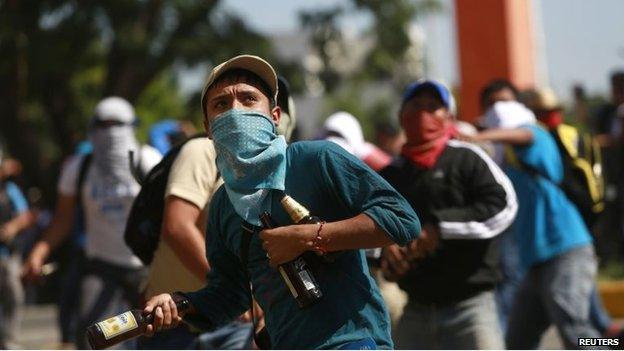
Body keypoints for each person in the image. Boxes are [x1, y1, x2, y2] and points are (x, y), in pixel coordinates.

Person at [142, 54, 421, 349]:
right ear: (208, 128)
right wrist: (180, 304)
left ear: (274, 116)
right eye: (221, 104)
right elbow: (229, 296)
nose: (235, 112)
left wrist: (307, 236)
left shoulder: (318, 160)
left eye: (248, 99)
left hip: (351, 342)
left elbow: (402, 220)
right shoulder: (223, 205)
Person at [379, 80, 517, 349]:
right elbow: (364, 227)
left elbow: (502, 206)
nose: (423, 114)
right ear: (401, 117)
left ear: (449, 118)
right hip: (416, 309)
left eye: (433, 107)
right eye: (416, 106)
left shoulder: (467, 158)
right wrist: (384, 251)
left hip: (471, 307)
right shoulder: (390, 175)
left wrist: (439, 228)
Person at [22, 97, 162, 349]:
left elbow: (169, 214)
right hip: (101, 268)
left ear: (131, 126)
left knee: (154, 339)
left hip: (147, 270)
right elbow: (63, 220)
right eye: (103, 125)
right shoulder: (79, 168)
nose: (110, 133)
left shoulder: (148, 160)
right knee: (98, 338)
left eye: (117, 125)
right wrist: (38, 252)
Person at [469, 100, 602, 348]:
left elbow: (522, 133)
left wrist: (480, 136)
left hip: (565, 248)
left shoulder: (536, 136)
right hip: (536, 261)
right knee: (519, 340)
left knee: (577, 332)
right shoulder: (508, 159)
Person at [0, 152, 31, 350]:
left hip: (8, 254)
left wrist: (11, 227)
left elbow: (25, 216)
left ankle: (9, 339)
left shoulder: (9, 190)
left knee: (14, 294)